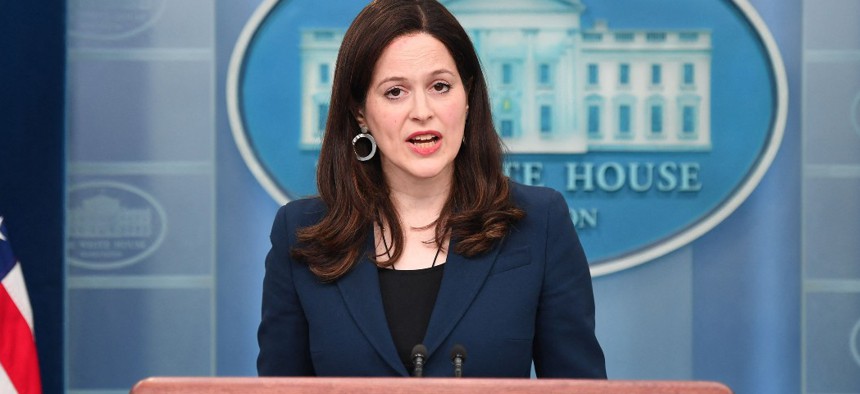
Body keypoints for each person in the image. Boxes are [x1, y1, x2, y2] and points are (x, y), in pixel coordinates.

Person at [257, 0, 606, 378]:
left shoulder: (539, 223)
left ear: (468, 96)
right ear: (360, 112)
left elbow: (580, 385)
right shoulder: (301, 235)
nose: (422, 110)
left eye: (440, 86)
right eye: (395, 92)